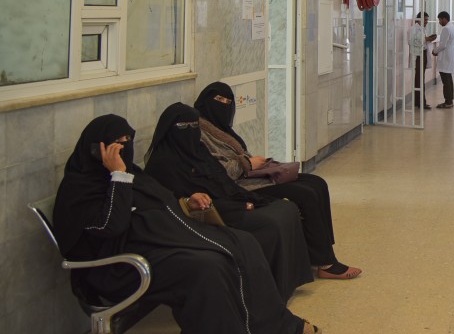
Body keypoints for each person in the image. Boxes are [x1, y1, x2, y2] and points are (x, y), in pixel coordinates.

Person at [54, 115, 317, 334]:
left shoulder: (134, 174)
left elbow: (159, 202)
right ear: (95, 148)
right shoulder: (80, 188)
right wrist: (118, 176)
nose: (123, 149)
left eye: (127, 142)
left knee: (242, 243)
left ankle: (276, 327)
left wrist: (185, 203)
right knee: (208, 266)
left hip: (155, 244)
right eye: (115, 145)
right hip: (119, 265)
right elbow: (111, 226)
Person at [144, 103, 313, 300]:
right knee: (270, 224)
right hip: (207, 213)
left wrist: (245, 198)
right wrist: (240, 206)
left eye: (193, 125)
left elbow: (221, 180)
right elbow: (180, 203)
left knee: (287, 209)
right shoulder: (162, 163)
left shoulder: (198, 150)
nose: (189, 132)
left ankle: (287, 283)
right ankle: (265, 292)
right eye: (183, 126)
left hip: (228, 201)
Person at [194, 82, 361, 279]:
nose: (223, 105)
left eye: (228, 101)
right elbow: (217, 170)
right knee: (305, 195)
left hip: (254, 176)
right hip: (241, 186)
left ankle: (319, 251)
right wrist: (247, 163)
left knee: (317, 184)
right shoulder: (200, 133)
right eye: (218, 100)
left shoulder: (221, 128)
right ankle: (326, 262)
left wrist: (254, 163)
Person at [409, 12, 435, 109]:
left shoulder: (422, 29)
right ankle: (420, 102)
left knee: (420, 79)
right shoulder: (413, 29)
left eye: (427, 20)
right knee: (419, 79)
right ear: (419, 19)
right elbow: (411, 41)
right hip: (418, 55)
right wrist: (426, 39)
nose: (427, 22)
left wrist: (428, 39)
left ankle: (419, 101)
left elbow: (422, 40)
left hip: (423, 54)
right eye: (425, 20)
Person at [431, 11, 454, 109]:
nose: (439, 22)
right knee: (449, 79)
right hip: (449, 55)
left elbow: (442, 45)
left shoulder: (446, 29)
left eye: (440, 20)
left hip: (445, 57)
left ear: (444, 19)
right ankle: (450, 100)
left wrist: (434, 51)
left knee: (446, 81)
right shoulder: (453, 27)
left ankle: (448, 102)